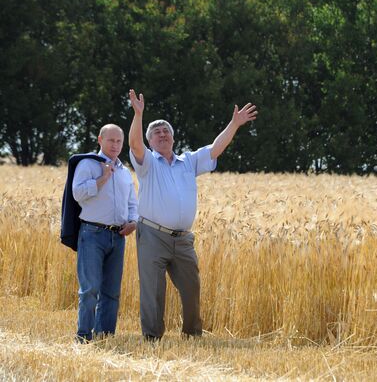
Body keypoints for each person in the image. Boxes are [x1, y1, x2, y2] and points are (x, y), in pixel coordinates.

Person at [128, 89, 257, 341]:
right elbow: (134, 143)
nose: (162, 135)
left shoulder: (188, 161)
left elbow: (214, 149)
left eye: (166, 131)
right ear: (150, 141)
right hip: (153, 235)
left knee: (191, 288)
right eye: (156, 133)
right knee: (153, 290)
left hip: (183, 240)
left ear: (173, 138)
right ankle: (153, 338)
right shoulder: (147, 164)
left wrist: (234, 123)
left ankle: (192, 335)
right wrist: (138, 114)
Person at [72, 124, 139, 342]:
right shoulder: (88, 164)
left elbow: (132, 203)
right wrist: (102, 178)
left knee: (111, 291)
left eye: (119, 141)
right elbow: (78, 193)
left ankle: (105, 336)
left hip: (118, 236)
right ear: (100, 139)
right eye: (111, 140)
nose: (115, 145)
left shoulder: (125, 172)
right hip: (92, 233)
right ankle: (83, 336)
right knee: (90, 289)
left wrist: (133, 222)